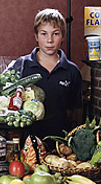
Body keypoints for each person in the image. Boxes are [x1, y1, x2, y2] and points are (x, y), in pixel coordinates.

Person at [9, 8, 82, 138]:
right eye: (44, 34)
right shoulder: (21, 65)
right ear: (36, 36)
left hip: (59, 142)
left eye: (55, 34)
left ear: (63, 36)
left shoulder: (72, 71)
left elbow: (73, 111)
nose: (49, 40)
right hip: (25, 142)